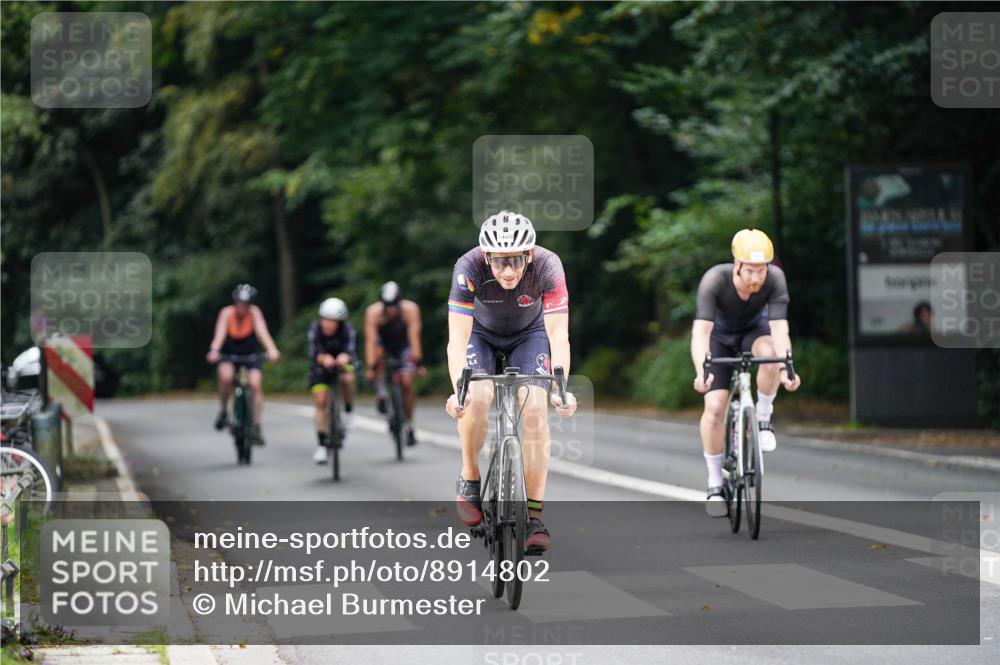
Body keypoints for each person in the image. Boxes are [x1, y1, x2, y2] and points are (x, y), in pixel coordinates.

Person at [445, 210, 577, 554]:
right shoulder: (468, 267)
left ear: (529, 255)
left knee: (534, 409)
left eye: (516, 261)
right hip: (481, 336)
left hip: (528, 335)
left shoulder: (548, 266)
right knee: (478, 395)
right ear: (486, 257)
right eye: (500, 262)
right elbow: (456, 340)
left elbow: (558, 333)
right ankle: (470, 478)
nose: (508, 271)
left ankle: (533, 516)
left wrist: (560, 387)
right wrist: (458, 389)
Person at [691, 229, 801, 517]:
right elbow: (701, 332)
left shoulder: (775, 279)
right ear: (736, 264)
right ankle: (715, 483)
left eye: (761, 271)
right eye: (750, 271)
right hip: (719, 337)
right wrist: (701, 370)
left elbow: (780, 329)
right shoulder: (715, 279)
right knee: (715, 408)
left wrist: (787, 366)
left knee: (770, 354)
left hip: (755, 332)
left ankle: (764, 417)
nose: (756, 278)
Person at [206, 284, 281, 445]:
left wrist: (272, 349)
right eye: (239, 303)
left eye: (245, 304)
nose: (242, 307)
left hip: (250, 354)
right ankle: (224, 411)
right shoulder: (226, 313)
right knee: (226, 378)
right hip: (229, 353)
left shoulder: (254, 313)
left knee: (255, 385)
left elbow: (263, 333)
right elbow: (219, 335)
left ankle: (256, 426)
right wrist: (214, 350)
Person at [364, 281, 425, 446]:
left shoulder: (410, 310)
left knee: (406, 382)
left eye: (394, 305)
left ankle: (410, 423)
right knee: (378, 355)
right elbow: (370, 341)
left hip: (403, 345)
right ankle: (382, 393)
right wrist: (371, 367)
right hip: (383, 345)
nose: (390, 310)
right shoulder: (373, 312)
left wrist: (418, 363)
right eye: (387, 306)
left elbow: (414, 338)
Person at [309, 297, 358, 464]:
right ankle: (322, 444)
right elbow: (315, 352)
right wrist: (324, 359)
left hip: (342, 364)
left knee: (348, 378)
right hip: (321, 367)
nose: (327, 324)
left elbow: (350, 349)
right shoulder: (315, 330)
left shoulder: (347, 330)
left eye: (332, 321)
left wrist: (345, 356)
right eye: (325, 319)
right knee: (321, 400)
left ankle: (349, 411)